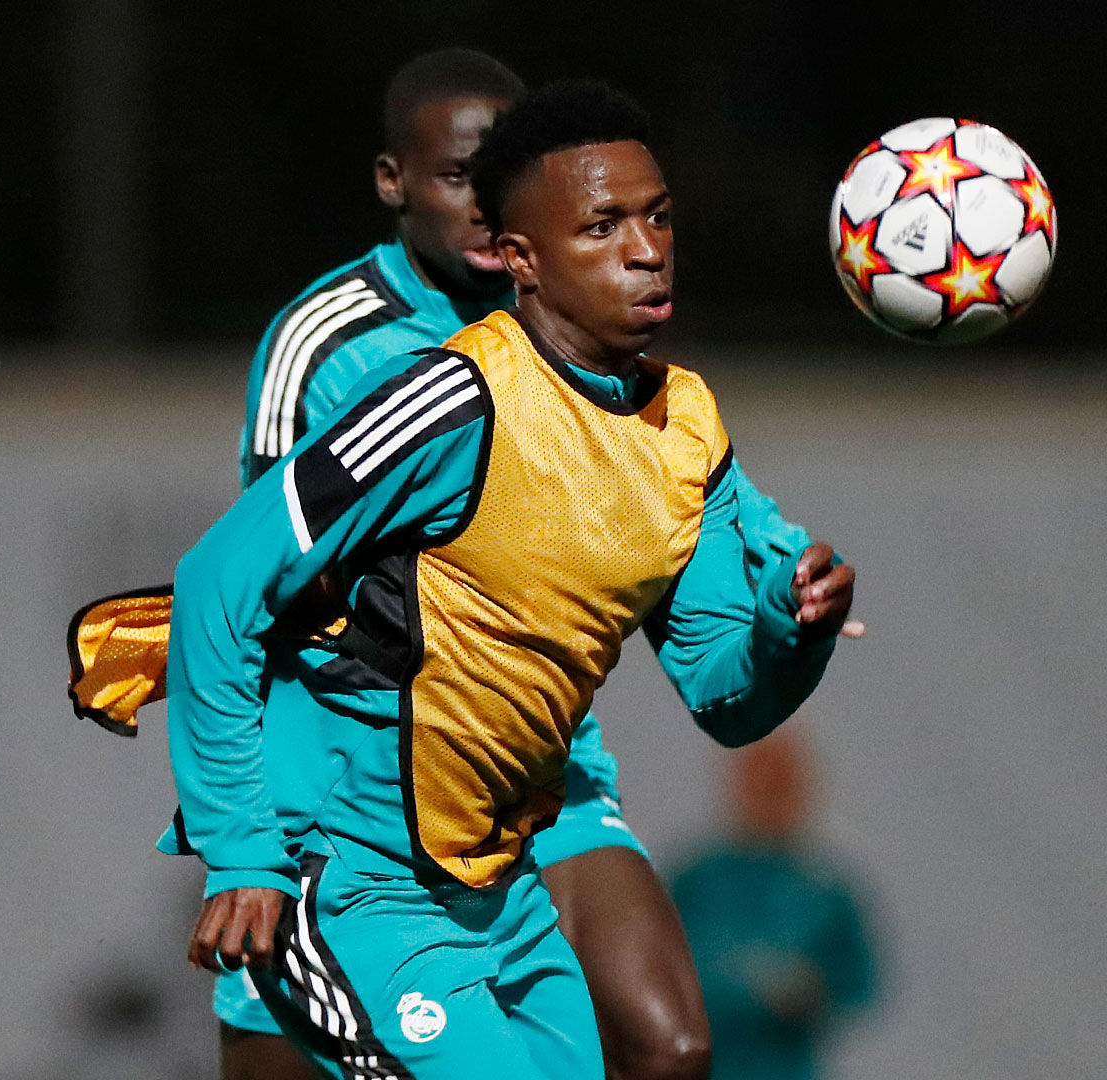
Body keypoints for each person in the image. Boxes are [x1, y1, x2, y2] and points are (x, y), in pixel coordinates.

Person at [166, 79, 856, 1080]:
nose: (646, 248)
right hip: (353, 886)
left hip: (502, 892)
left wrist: (793, 632)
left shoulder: (686, 427)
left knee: (672, 1052)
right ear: (522, 259)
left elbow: (723, 692)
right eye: (603, 225)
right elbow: (220, 583)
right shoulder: (453, 401)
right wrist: (241, 853)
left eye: (658, 217)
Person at [669, 729, 882, 1080]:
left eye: (781, 787)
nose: (769, 801)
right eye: (759, 786)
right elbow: (658, 972)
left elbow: (859, 981)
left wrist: (812, 990)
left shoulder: (824, 895)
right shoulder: (696, 884)